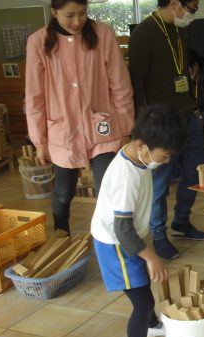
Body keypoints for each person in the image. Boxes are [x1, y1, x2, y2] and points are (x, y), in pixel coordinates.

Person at [91, 104, 187, 337]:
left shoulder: (139, 159)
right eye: (165, 155)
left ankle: (153, 325)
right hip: (115, 243)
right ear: (142, 144)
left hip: (127, 238)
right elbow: (122, 229)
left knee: (142, 289)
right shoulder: (126, 177)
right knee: (143, 301)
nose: (166, 161)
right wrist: (151, 257)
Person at [25, 0, 134, 234]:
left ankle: (112, 238)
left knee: (108, 187)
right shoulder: (38, 42)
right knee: (64, 192)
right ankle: (61, 234)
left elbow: (121, 84)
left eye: (82, 14)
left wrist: (125, 128)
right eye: (69, 15)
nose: (77, 21)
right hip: (62, 131)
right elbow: (34, 96)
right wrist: (39, 141)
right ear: (54, 12)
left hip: (103, 127)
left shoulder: (102, 33)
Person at [129, 0, 204, 261]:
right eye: (192, 8)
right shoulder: (143, 33)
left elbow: (182, 70)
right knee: (159, 184)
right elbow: (136, 85)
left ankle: (182, 223)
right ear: (175, 3)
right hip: (161, 122)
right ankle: (159, 235)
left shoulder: (180, 29)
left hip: (187, 115)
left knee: (195, 172)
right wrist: (143, 129)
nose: (193, 13)